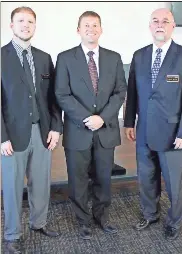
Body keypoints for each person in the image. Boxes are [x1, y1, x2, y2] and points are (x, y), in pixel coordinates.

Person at [55, 11, 127, 240]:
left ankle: (101, 217)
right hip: (78, 130)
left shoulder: (114, 58)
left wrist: (102, 118)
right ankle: (83, 220)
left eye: (95, 25)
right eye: (86, 25)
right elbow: (62, 94)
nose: (91, 29)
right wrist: (87, 118)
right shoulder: (65, 58)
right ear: (78, 30)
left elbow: (120, 92)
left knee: (103, 178)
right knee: (78, 180)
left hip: (105, 131)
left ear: (101, 29)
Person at [1, 6, 63, 253]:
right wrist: (1, 137)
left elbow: (53, 98)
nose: (25, 25)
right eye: (20, 21)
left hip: (43, 131)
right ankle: (12, 235)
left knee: (40, 182)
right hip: (11, 135)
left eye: (30, 22)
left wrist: (56, 128)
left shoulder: (44, 57)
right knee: (13, 185)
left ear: (35, 26)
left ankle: (39, 223)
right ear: (11, 25)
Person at [124, 8, 182, 240]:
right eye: (155, 21)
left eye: (165, 21)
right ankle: (150, 214)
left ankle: (175, 221)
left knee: (174, 183)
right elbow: (132, 92)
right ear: (150, 26)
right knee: (146, 177)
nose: (160, 25)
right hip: (144, 130)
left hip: (172, 133)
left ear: (172, 25)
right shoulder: (139, 56)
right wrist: (129, 122)